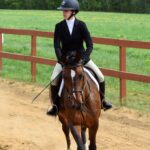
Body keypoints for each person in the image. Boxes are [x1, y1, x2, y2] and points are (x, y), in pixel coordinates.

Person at [47, 0, 112, 116]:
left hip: (81, 58)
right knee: (53, 79)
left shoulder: (81, 25)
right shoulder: (59, 26)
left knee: (101, 76)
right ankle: (55, 106)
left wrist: (84, 58)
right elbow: (57, 46)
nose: (63, 13)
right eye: (63, 11)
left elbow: (90, 45)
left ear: (73, 11)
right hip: (65, 60)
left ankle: (102, 101)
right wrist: (61, 60)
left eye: (65, 10)